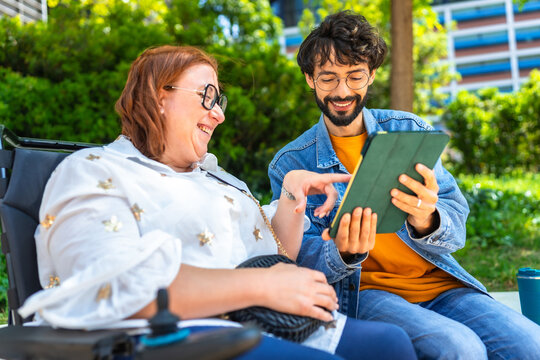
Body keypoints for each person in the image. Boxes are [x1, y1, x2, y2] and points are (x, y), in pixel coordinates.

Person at [18, 45, 416, 360]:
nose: (218, 115)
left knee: (391, 344)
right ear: (159, 96)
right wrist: (259, 285)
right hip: (168, 332)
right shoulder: (95, 169)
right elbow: (112, 283)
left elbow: (271, 254)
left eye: (218, 100)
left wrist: (293, 192)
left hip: (255, 318)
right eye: (207, 96)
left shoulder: (217, 178)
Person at [268, 10, 540, 359]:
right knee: (460, 348)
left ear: (372, 76)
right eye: (328, 78)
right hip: (365, 292)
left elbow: (456, 226)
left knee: (532, 345)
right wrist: (343, 252)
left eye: (355, 77)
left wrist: (428, 218)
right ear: (310, 79)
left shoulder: (409, 131)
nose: (342, 91)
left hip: (443, 284)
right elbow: (296, 257)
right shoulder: (291, 164)